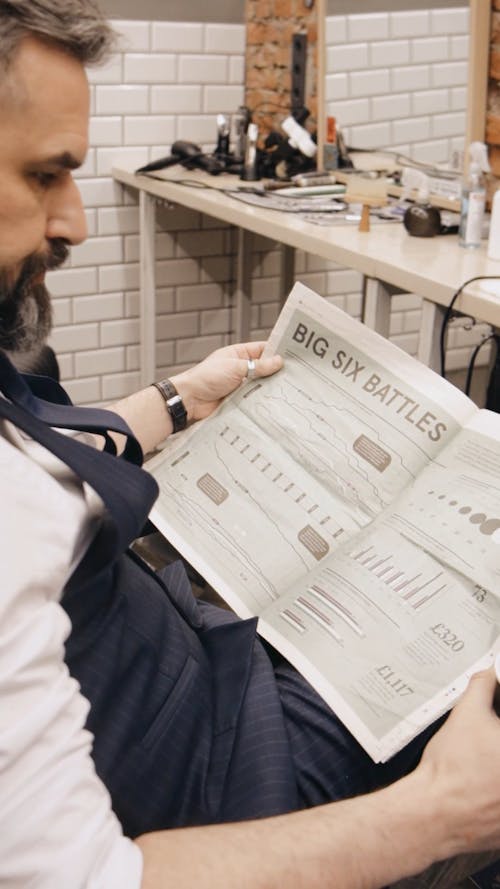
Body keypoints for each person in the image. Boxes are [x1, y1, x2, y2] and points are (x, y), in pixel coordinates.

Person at [2, 2, 500, 887]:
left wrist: (171, 401)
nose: (74, 221)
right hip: (225, 784)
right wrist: (436, 814)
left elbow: (28, 458)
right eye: (45, 175)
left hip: (204, 663)